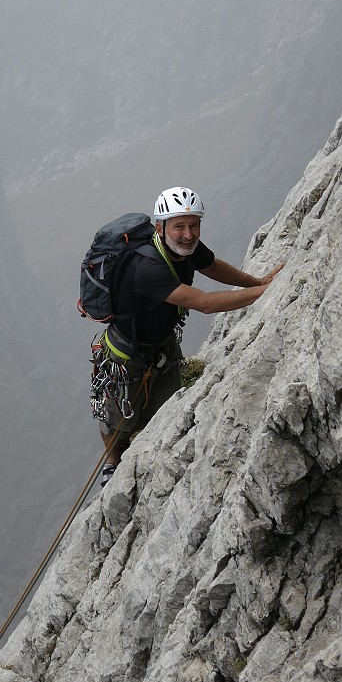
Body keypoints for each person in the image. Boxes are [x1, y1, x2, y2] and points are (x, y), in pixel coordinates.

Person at [91, 185, 282, 484]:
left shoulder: (185, 249)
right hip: (125, 353)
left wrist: (255, 281)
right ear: (160, 227)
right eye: (179, 226)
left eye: (194, 225)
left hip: (161, 344)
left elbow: (212, 266)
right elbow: (203, 303)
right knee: (119, 419)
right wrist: (264, 292)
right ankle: (112, 464)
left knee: (162, 410)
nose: (188, 234)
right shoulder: (146, 268)